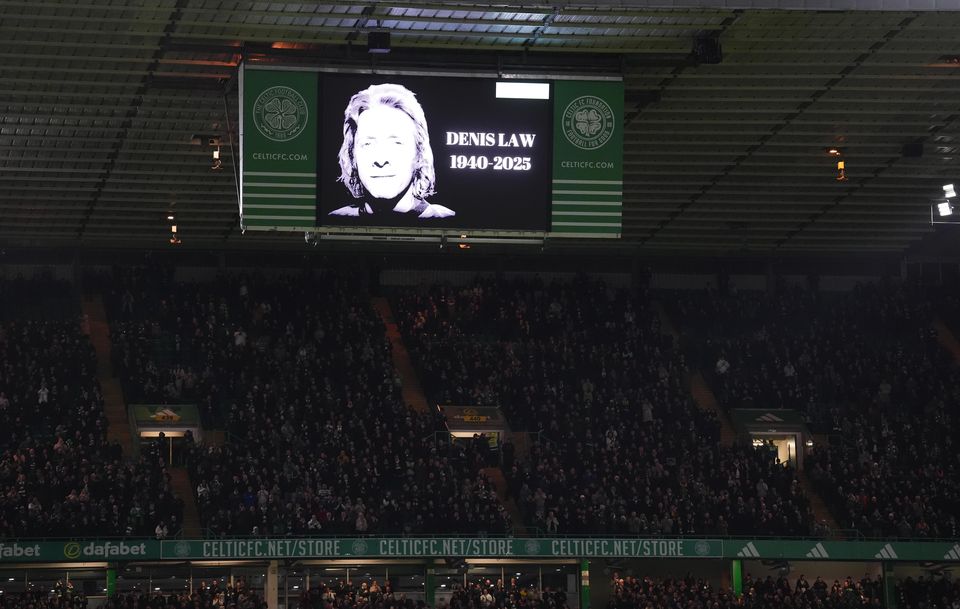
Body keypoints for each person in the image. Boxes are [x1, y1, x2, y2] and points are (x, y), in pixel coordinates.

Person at [329, 83, 455, 219]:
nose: (381, 160)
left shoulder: (448, 221)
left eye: (396, 143)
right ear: (352, 156)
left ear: (419, 154)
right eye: (367, 144)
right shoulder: (336, 219)